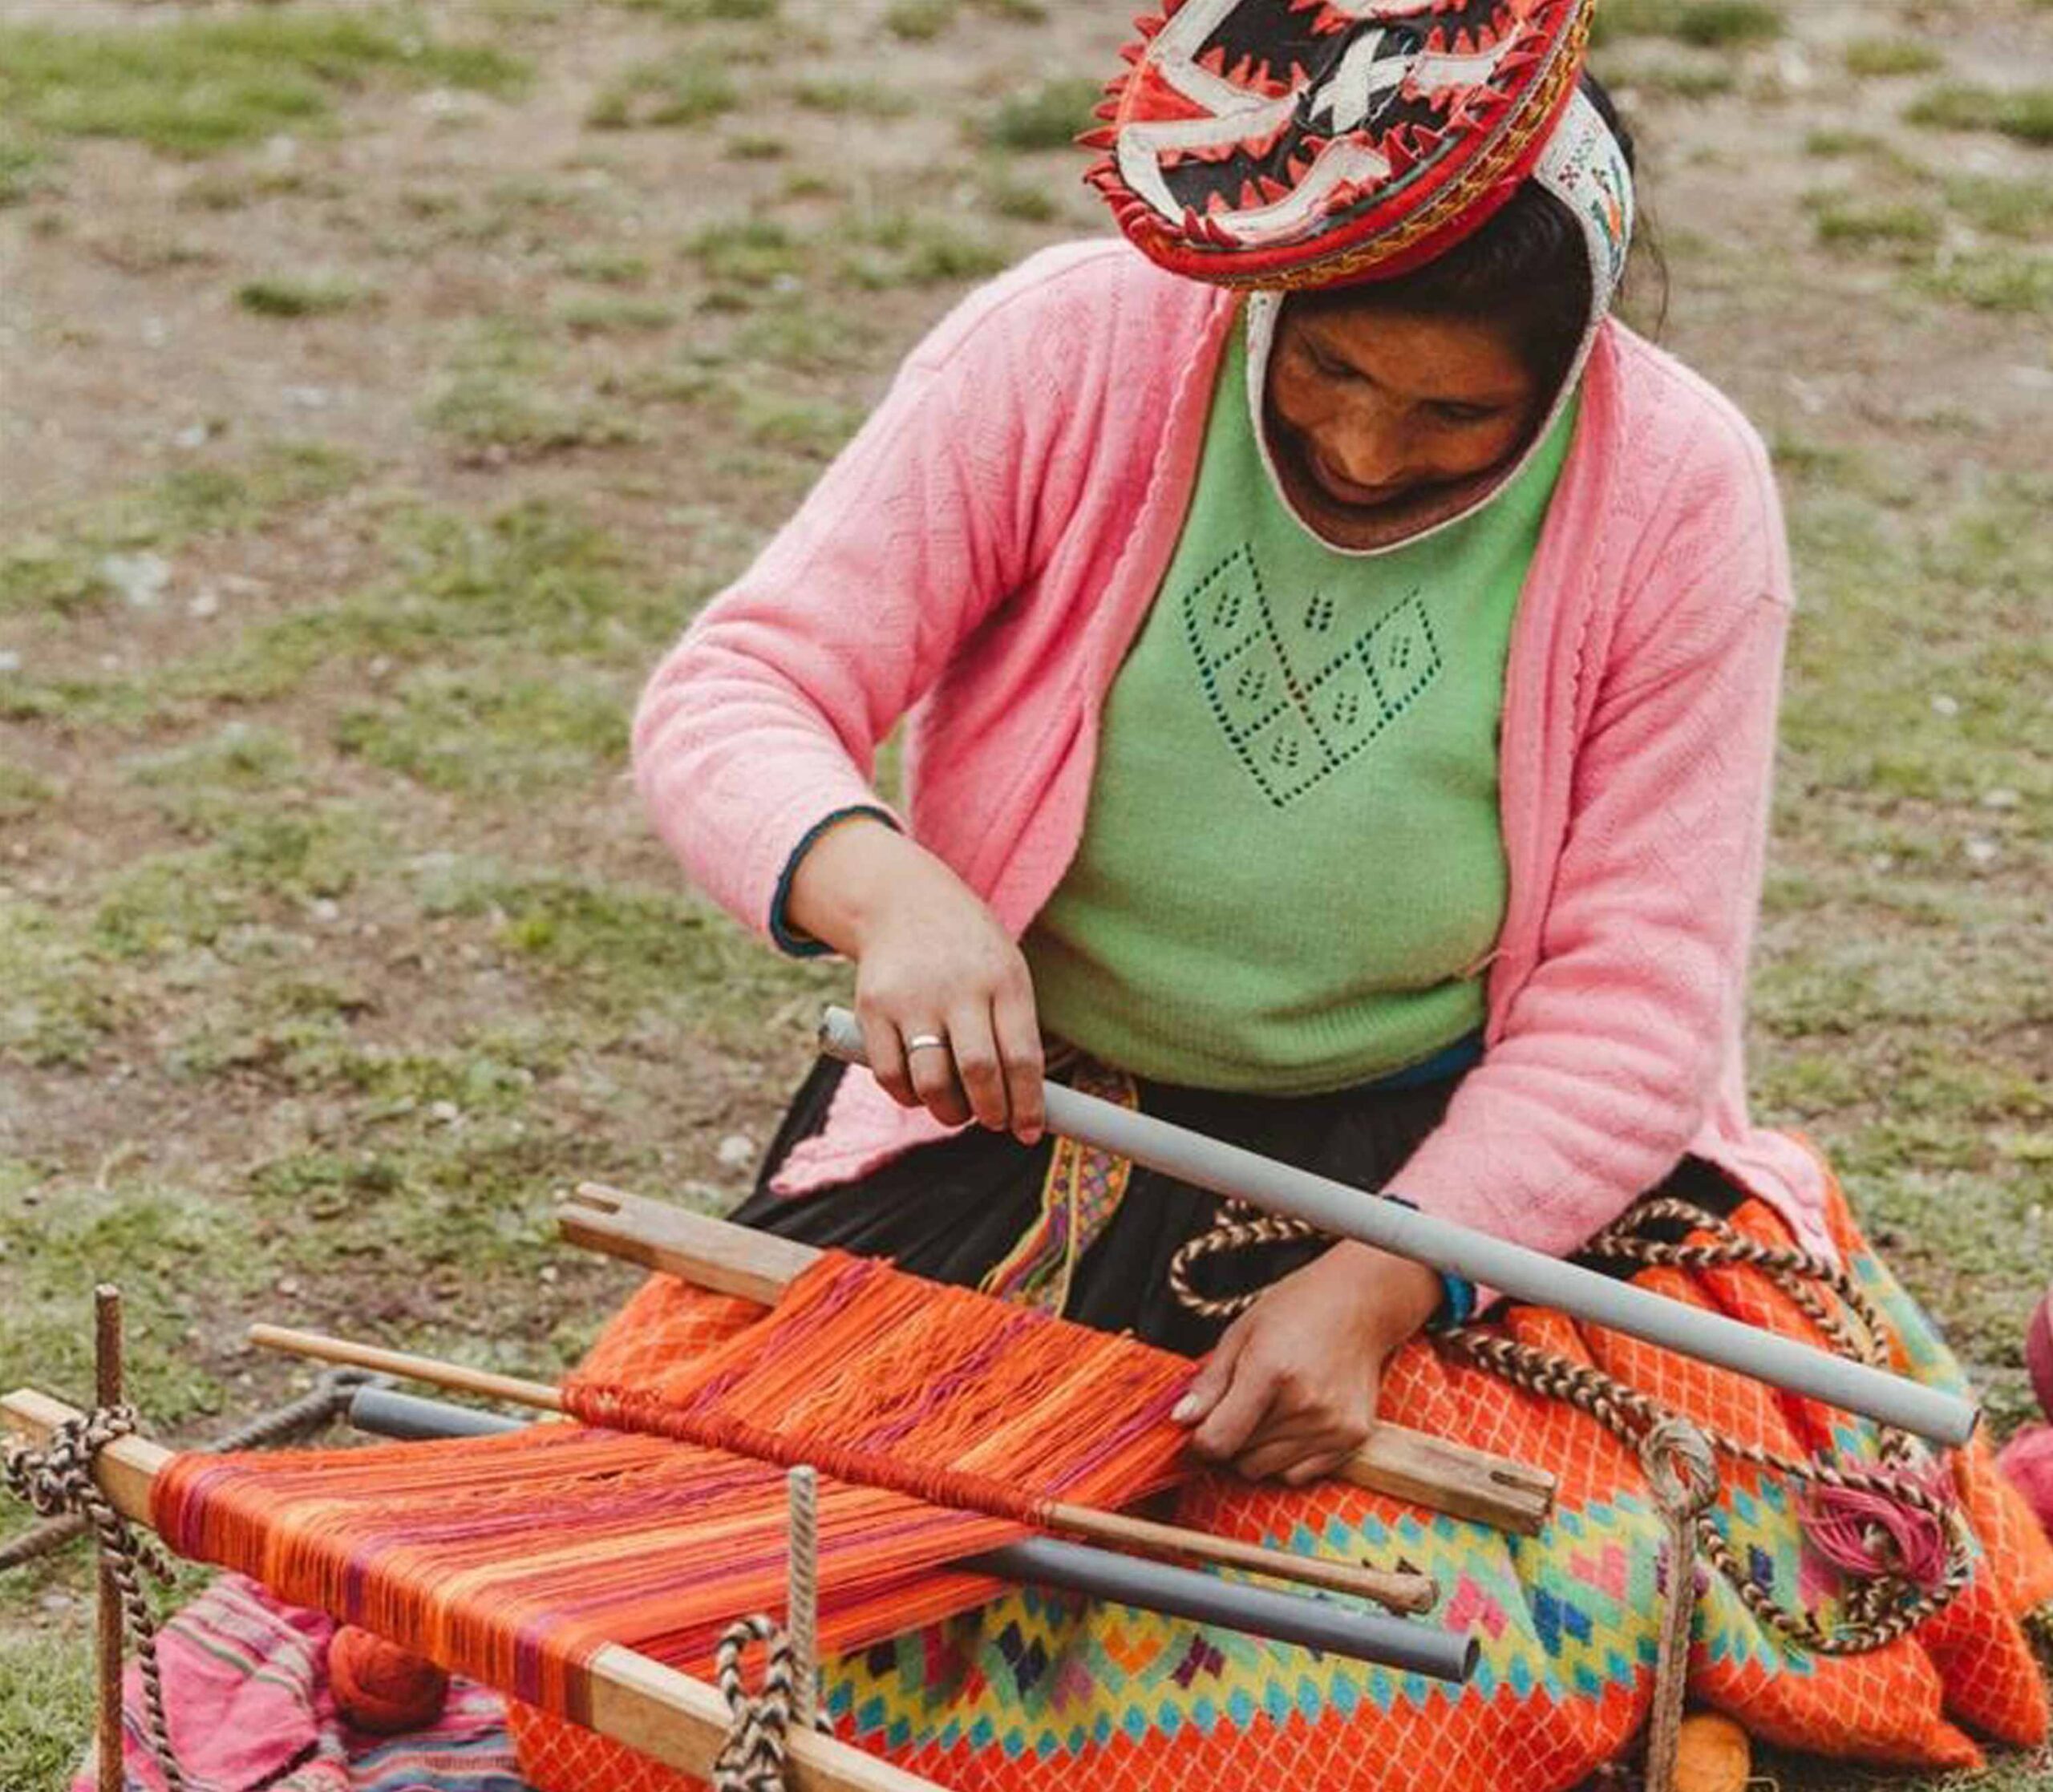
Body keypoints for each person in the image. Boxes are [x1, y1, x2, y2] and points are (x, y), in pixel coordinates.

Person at [524, 4, 2053, 1789]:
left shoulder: (1675, 490)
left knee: (1422, 1661)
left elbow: (1634, 1004)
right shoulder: (1070, 349)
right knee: (636, 1660)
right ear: (1272, 286)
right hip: (1037, 1135)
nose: (1369, 449)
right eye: (1329, 371)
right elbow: (739, 688)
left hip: (1454, 1183)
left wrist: (1382, 1285)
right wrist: (886, 887)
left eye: (1453, 411)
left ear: (1572, 365)